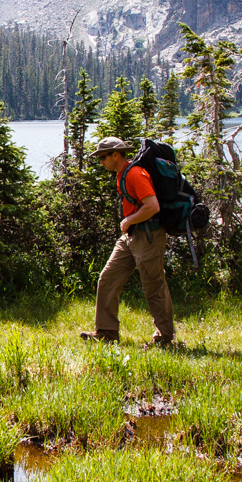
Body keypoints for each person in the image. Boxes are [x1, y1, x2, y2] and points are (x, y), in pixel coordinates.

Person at [81, 136, 175, 347]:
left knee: (154, 287)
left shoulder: (135, 174)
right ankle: (106, 332)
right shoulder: (121, 175)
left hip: (148, 236)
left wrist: (128, 220)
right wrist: (129, 225)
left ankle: (165, 339)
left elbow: (152, 206)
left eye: (103, 157)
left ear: (116, 155)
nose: (101, 162)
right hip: (131, 237)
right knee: (108, 279)